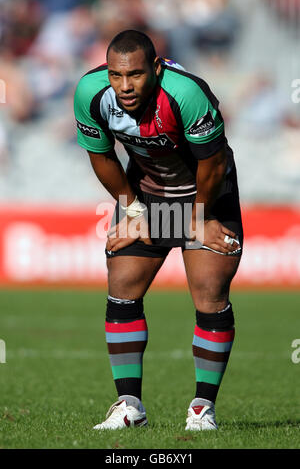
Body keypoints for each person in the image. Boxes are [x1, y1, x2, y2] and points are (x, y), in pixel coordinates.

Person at [73, 29, 243, 431]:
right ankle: (129, 406)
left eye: (134, 75)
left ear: (156, 67)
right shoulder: (89, 93)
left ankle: (203, 409)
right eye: (116, 75)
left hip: (207, 195)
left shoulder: (186, 93)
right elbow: (100, 156)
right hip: (148, 196)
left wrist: (198, 218)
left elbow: (214, 165)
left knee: (210, 292)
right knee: (123, 285)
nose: (125, 86)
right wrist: (131, 211)